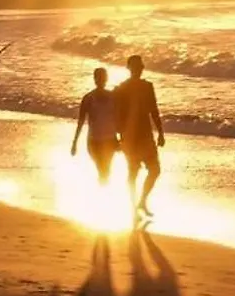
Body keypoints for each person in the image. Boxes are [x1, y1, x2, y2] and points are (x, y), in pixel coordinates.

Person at [116, 54, 166, 219]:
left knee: (155, 170)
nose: (139, 69)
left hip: (146, 135)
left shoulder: (148, 86)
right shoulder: (122, 88)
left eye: (141, 66)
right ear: (130, 68)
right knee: (133, 173)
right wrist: (118, 135)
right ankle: (133, 207)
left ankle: (142, 201)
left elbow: (154, 110)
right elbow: (117, 114)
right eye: (136, 66)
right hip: (130, 137)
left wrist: (160, 132)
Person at [70, 67, 118, 182]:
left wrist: (122, 138)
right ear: (95, 79)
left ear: (106, 79)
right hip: (94, 141)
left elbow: (119, 119)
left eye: (103, 77)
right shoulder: (88, 98)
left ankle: (103, 193)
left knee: (106, 170)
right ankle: (102, 191)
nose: (101, 80)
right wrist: (74, 143)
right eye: (98, 77)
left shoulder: (113, 97)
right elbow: (81, 121)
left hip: (110, 140)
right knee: (102, 169)